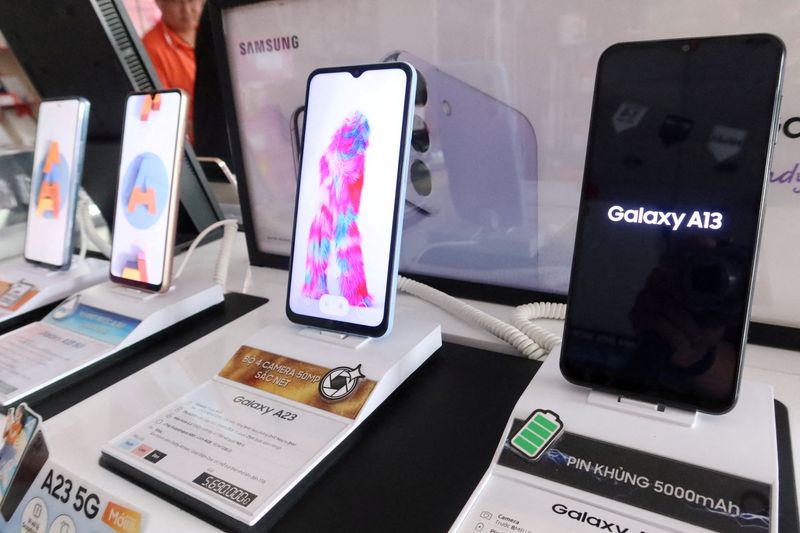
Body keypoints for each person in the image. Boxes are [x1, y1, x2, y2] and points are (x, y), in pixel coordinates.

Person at [142, 0, 204, 140]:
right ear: (159, 3)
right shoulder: (151, 47)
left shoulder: (213, 30)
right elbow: (161, 114)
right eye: (176, 2)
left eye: (191, 1)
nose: (187, 10)